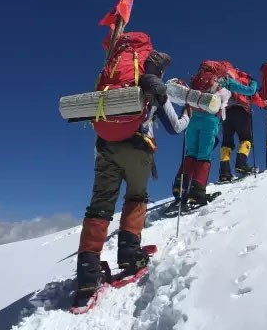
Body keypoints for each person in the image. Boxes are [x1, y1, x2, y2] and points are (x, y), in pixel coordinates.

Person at [73, 50, 189, 308]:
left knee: (99, 207)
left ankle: (87, 277)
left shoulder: (111, 83)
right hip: (138, 148)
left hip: (105, 148)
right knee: (136, 197)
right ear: (158, 70)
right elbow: (175, 127)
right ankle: (129, 257)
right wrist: (188, 113)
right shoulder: (153, 84)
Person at [172, 64, 259, 204]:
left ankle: (179, 187)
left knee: (191, 153)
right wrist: (254, 83)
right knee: (203, 155)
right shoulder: (225, 81)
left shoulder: (197, 79)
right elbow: (249, 91)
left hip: (193, 120)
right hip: (210, 120)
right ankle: (197, 192)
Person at [218, 68, 267, 182]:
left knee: (226, 142)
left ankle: (224, 172)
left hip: (225, 112)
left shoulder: (225, 80)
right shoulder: (246, 81)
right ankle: (241, 165)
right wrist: (264, 104)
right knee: (246, 139)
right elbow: (254, 97)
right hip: (242, 111)